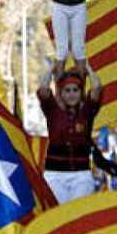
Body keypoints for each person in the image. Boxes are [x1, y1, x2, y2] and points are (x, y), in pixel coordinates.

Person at [38, 64, 102, 204]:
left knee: (79, 218)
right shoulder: (53, 111)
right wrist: (52, 68)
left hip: (81, 175)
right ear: (61, 93)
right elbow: (43, 90)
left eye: (75, 90)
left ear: (81, 92)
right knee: (58, 217)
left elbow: (97, 88)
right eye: (67, 90)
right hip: (54, 175)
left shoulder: (87, 112)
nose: (71, 94)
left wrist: (88, 68)